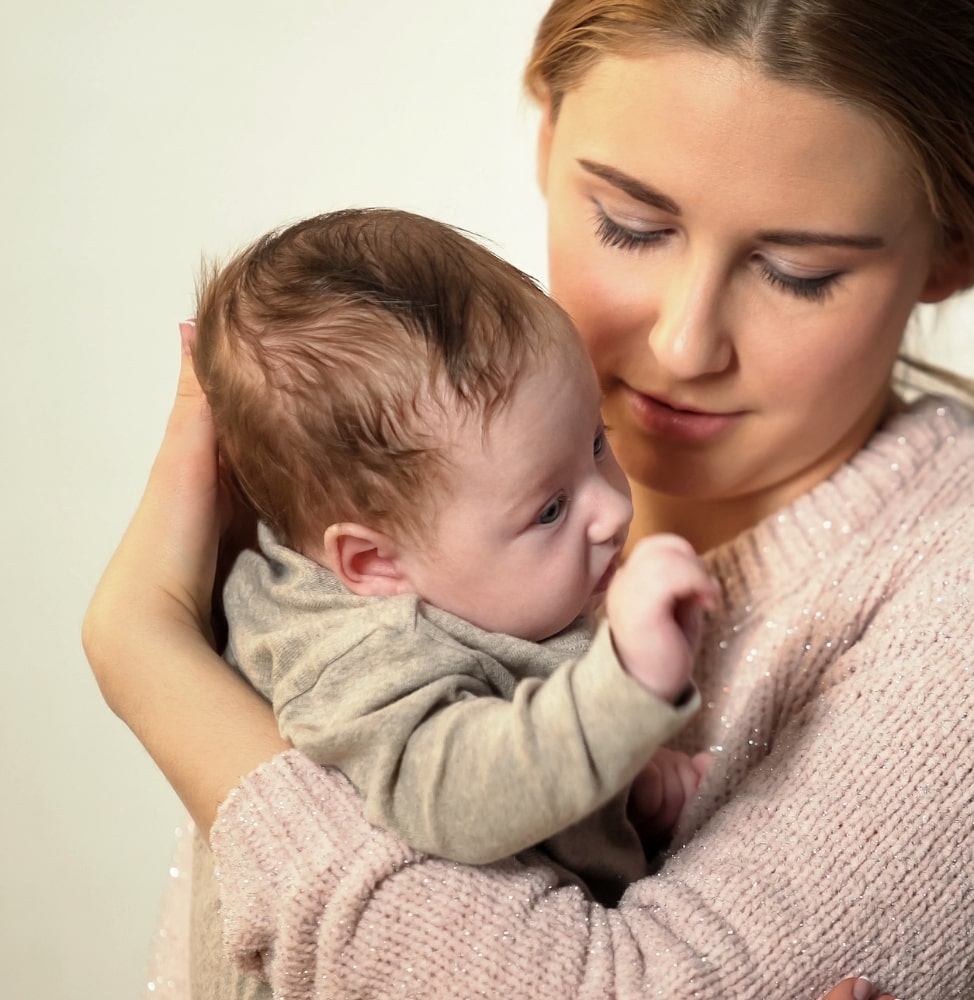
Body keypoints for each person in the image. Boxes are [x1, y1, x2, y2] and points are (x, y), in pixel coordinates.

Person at [84, 1, 974, 998]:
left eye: (800, 270)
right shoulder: (385, 520)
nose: (684, 343)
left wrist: (154, 662)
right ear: (544, 132)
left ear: (952, 252)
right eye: (631, 223)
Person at [185, 207, 722, 996]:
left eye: (597, 442)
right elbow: (460, 795)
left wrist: (631, 789)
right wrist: (625, 688)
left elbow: (523, 737)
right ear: (371, 562)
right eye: (548, 509)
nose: (610, 509)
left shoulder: (465, 581)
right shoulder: (354, 653)